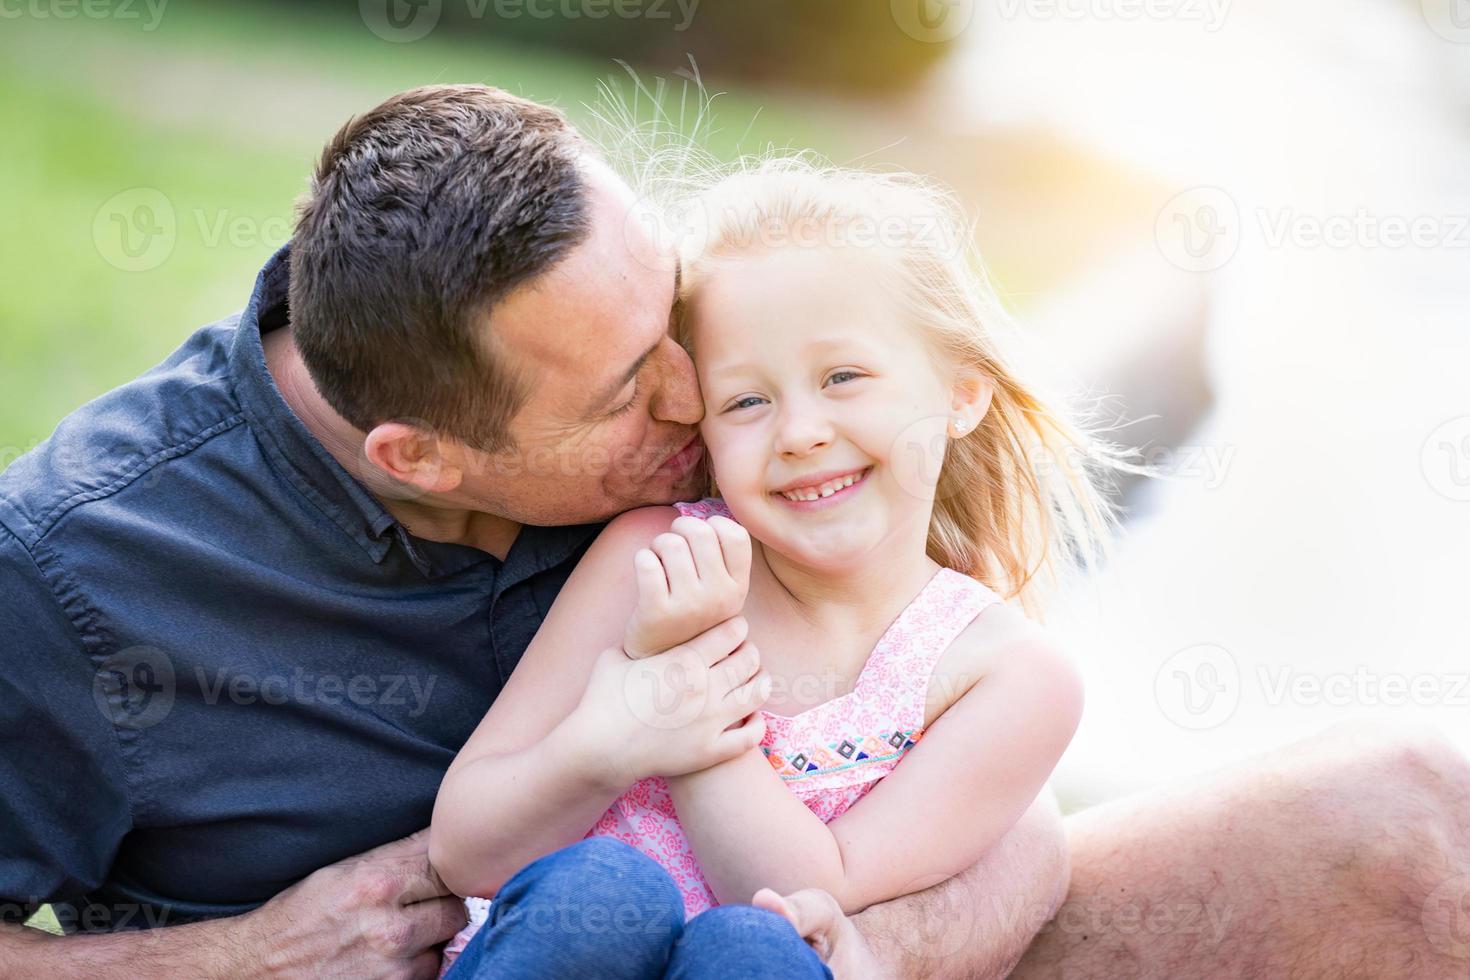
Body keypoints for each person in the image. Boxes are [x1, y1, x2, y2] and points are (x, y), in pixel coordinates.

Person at [1, 83, 1467, 979]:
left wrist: (912, 923)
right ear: (425, 456)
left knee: (1410, 814)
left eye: (675, 320)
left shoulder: (730, 435)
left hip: (802, 939)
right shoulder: (73, 575)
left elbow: (966, 733)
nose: (712, 408)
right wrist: (236, 964)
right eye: (638, 389)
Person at [431, 158, 1102, 979]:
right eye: (746, 401)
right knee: (605, 894)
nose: (800, 432)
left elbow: (798, 887)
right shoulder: (657, 555)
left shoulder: (1006, 675)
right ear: (702, 428)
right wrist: (610, 739)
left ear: (961, 394)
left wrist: (684, 687)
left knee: (753, 949)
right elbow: (467, 848)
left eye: (843, 377)